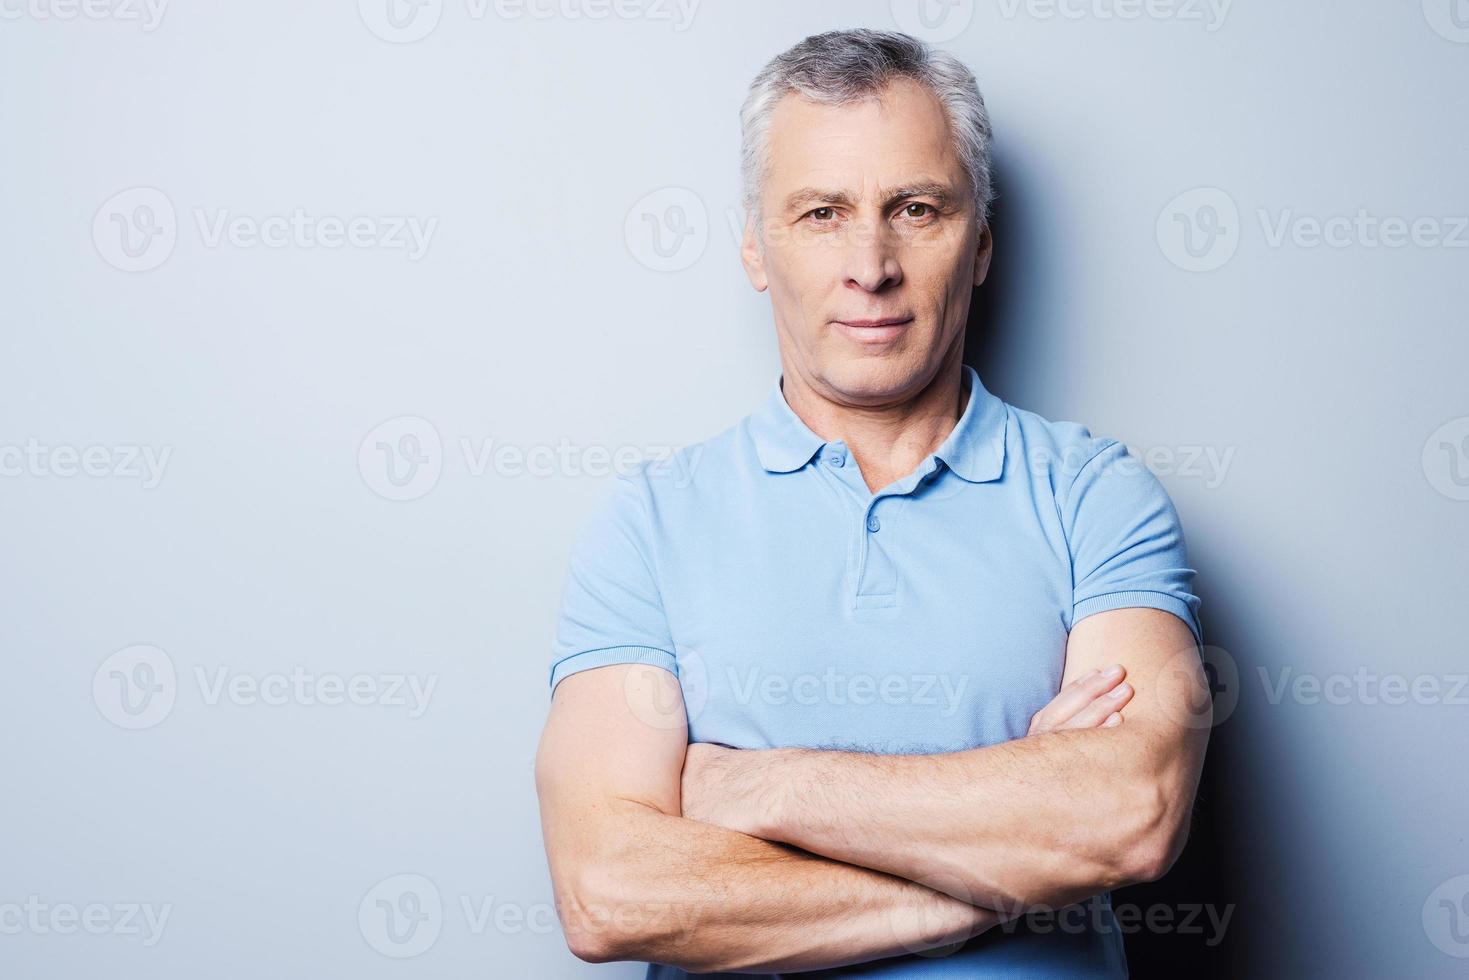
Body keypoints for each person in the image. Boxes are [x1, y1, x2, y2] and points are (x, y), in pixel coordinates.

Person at [536, 28, 1210, 978]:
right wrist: (1009, 862)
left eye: (916, 208)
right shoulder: (649, 521)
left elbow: (1124, 817)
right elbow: (610, 893)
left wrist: (754, 786)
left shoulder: (1094, 496)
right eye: (820, 213)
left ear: (979, 244)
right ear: (754, 246)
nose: (870, 264)